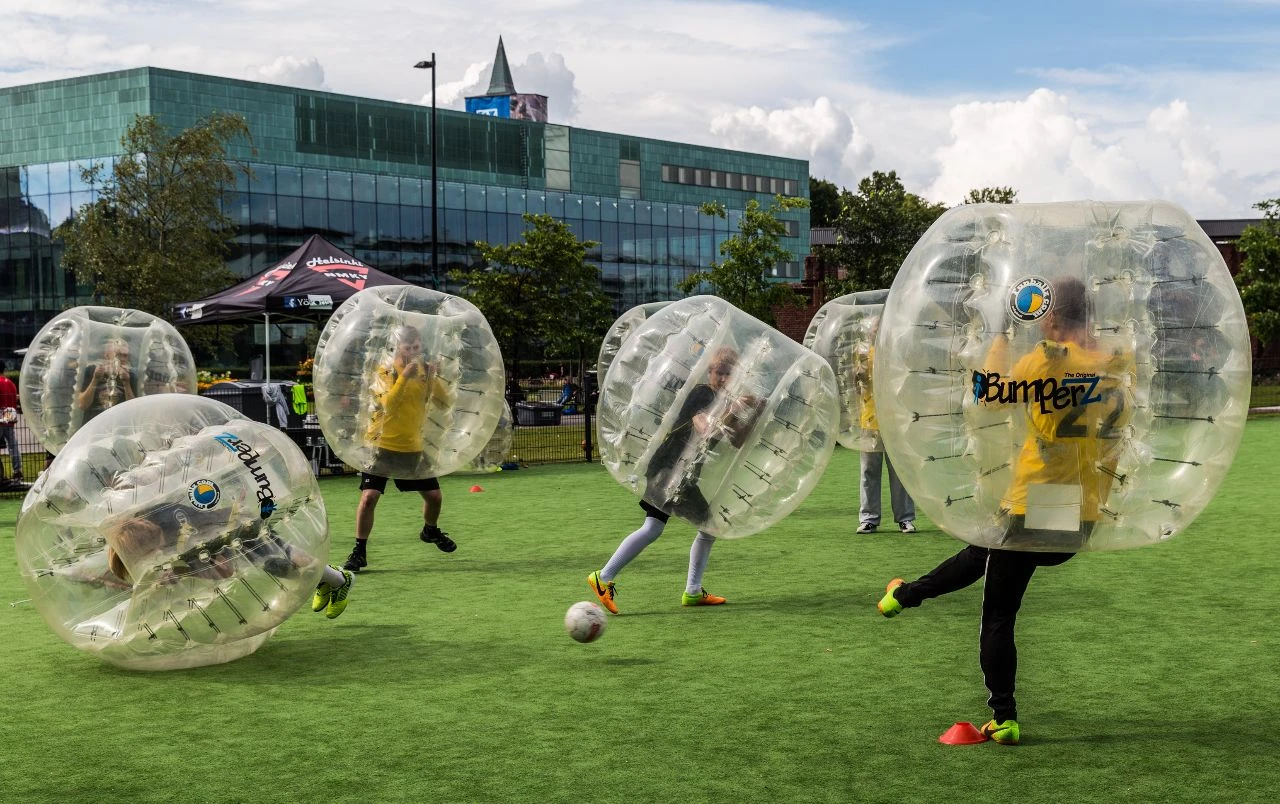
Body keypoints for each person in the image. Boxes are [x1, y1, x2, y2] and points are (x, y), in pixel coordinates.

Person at [876, 277, 1132, 745]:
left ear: (1051, 316)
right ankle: (905, 595)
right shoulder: (1116, 361)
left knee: (997, 612)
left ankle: (1004, 715)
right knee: (986, 550)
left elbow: (988, 393)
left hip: (1038, 501)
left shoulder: (1049, 359)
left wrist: (998, 332)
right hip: (1086, 511)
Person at [587, 345, 764, 613]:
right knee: (704, 527)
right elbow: (705, 429)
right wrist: (737, 407)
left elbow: (735, 440)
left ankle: (608, 577)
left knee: (655, 527)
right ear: (710, 371)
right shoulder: (702, 394)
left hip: (681, 473)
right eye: (720, 372)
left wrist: (753, 414)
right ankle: (612, 578)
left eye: (730, 373)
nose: (725, 378)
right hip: (670, 471)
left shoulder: (723, 401)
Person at [343, 325, 456, 573]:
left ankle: (430, 530)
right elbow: (389, 405)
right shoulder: (386, 371)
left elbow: (443, 401)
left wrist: (435, 378)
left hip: (411, 446)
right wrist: (404, 376)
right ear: (398, 347)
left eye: (417, 347)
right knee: (369, 497)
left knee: (435, 497)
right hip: (382, 444)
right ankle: (359, 551)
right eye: (408, 347)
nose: (413, 352)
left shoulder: (425, 372)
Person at [852, 320, 916, 534]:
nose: (876, 332)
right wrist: (859, 371)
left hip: (895, 420)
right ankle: (869, 518)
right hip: (869, 420)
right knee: (869, 471)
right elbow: (857, 383)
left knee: (899, 471)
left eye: (880, 329)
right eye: (874, 329)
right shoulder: (861, 353)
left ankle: (905, 518)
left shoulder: (896, 354)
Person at [75, 338, 137, 420]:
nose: (122, 359)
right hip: (93, 425)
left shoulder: (130, 376)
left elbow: (133, 411)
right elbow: (82, 405)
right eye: (118, 355)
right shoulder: (92, 371)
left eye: (125, 355)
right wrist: (95, 379)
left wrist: (126, 383)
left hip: (118, 426)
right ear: (106, 355)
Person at [0, 365, 22, 486]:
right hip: (10, 415)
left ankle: (1, 475)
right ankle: (17, 472)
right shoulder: (11, 383)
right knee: (13, 446)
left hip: (0, 415)